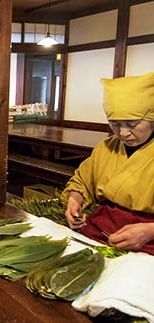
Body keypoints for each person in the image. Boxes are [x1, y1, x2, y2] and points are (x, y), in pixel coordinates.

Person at [61, 72, 154, 255]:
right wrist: (74, 201)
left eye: (132, 124)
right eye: (115, 124)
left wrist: (149, 231)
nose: (123, 133)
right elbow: (82, 182)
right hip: (101, 229)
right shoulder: (106, 148)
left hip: (147, 241)